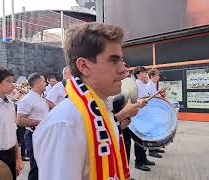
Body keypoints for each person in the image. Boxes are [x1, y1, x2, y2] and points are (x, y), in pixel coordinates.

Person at [33, 22, 146, 180]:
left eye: (121, 60)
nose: (124, 69)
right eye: (114, 60)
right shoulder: (65, 124)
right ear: (84, 66)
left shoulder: (101, 108)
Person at [16, 72, 50, 180]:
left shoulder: (41, 97)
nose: (46, 83)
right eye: (44, 81)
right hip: (33, 134)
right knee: (36, 167)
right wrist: (40, 122)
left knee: (44, 167)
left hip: (43, 134)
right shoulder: (27, 99)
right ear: (37, 83)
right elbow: (20, 120)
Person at [145, 68, 166, 158]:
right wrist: (159, 94)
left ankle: (155, 147)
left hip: (155, 110)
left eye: (158, 75)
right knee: (152, 131)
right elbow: (151, 98)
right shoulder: (149, 85)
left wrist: (161, 94)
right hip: (151, 111)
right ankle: (152, 150)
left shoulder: (153, 85)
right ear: (152, 76)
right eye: (157, 75)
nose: (158, 77)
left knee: (156, 130)